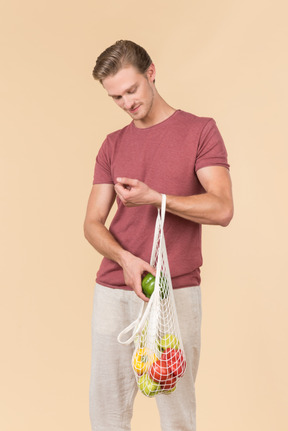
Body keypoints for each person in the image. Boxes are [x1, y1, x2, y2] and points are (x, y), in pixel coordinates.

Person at [84, 40, 233, 431]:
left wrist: (157, 198)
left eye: (131, 90)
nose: (127, 102)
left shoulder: (199, 131)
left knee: (177, 413)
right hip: (115, 290)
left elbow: (222, 209)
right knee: (107, 413)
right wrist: (126, 262)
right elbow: (92, 223)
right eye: (116, 97)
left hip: (174, 291)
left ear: (151, 71)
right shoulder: (113, 144)